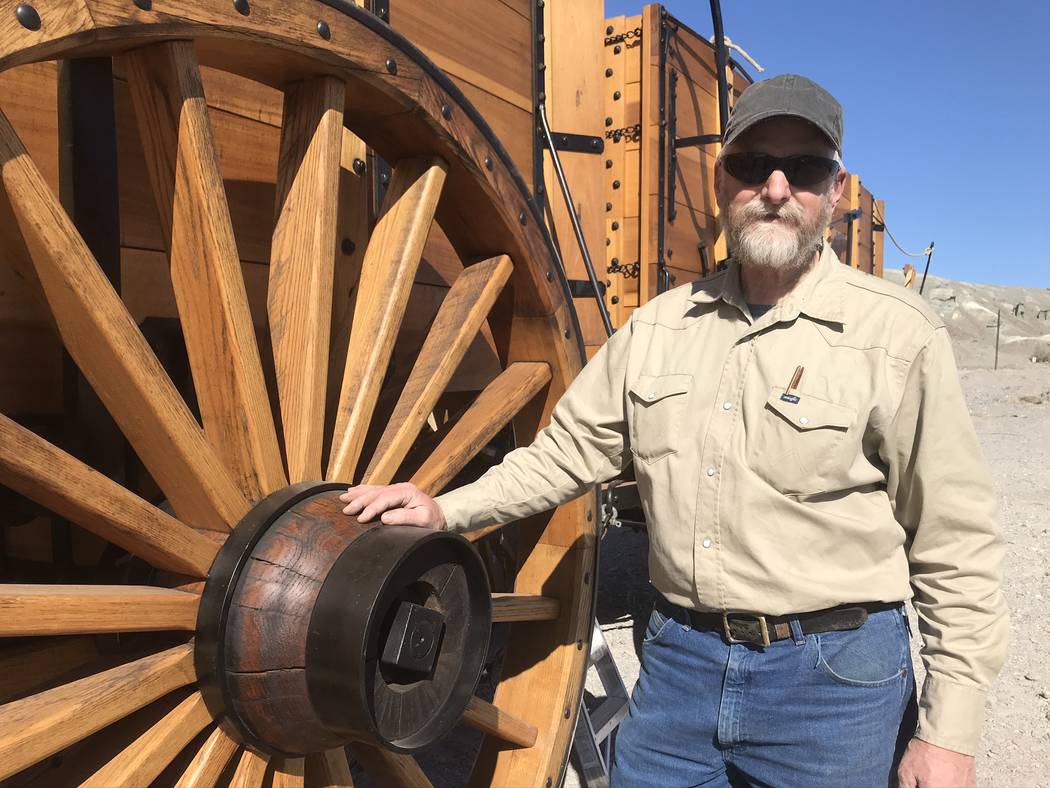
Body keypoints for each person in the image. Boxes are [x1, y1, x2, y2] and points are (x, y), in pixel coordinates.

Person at [340, 74, 1008, 787]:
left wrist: (948, 735)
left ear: (836, 191)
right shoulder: (658, 329)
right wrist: (445, 508)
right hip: (680, 670)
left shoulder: (897, 336)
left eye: (804, 169)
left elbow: (955, 545)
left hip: (832, 683)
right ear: (723, 182)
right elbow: (564, 456)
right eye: (752, 166)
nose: (776, 187)